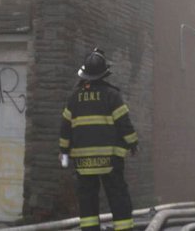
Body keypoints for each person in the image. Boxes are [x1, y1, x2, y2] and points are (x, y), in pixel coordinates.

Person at [59, 48, 139, 231]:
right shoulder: (112, 95)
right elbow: (124, 124)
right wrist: (133, 143)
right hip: (110, 160)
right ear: (104, 73)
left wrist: (63, 151)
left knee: (87, 201)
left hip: (83, 161)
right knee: (118, 198)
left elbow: (65, 128)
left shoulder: (74, 97)